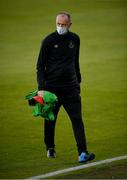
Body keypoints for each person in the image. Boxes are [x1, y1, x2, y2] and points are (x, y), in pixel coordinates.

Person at [36, 12, 95, 163]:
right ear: (56, 23)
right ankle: (50, 147)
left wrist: (78, 81)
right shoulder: (48, 41)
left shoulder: (75, 39)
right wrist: (41, 88)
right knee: (50, 119)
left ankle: (82, 152)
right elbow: (40, 66)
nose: (60, 27)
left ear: (70, 24)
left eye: (63, 24)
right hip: (52, 89)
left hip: (71, 88)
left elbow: (75, 61)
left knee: (77, 120)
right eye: (58, 24)